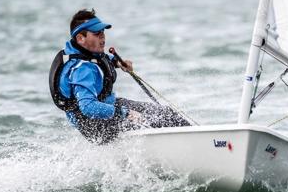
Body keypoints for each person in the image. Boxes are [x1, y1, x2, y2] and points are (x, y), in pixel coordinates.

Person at [49, 8, 190, 144]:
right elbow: (87, 107)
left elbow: (100, 60)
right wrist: (125, 113)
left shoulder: (87, 54)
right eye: (97, 34)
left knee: (165, 113)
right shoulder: (81, 70)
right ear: (81, 38)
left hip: (110, 107)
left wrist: (118, 62)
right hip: (96, 125)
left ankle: (193, 136)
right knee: (157, 120)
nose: (102, 37)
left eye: (103, 32)